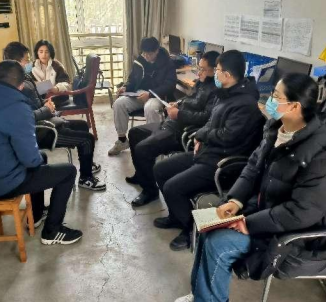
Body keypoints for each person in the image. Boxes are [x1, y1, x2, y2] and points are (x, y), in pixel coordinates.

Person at [174, 74, 326, 302]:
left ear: (294, 106)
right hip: (267, 212)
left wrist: (247, 223)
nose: (270, 101)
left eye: (276, 96)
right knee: (206, 225)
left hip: (295, 236)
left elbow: (301, 212)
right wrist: (235, 201)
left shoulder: (320, 153)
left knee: (219, 241)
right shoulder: (278, 130)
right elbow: (252, 169)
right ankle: (203, 295)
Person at [153, 50, 265, 251]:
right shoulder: (226, 94)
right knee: (160, 169)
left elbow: (227, 136)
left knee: (173, 187)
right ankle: (177, 216)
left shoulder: (245, 104)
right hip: (207, 153)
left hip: (222, 162)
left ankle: (190, 231)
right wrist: (199, 135)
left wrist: (202, 135)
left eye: (218, 70)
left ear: (227, 75)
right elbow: (210, 122)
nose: (215, 73)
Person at [0, 61, 83, 246]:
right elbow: (31, 160)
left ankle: (36, 214)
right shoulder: (17, 108)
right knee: (68, 172)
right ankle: (52, 231)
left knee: (42, 158)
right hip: (1, 184)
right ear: (21, 85)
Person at [1, 42, 106, 225]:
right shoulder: (20, 85)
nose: (29, 62)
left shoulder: (17, 79)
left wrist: (47, 103)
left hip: (45, 120)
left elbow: (35, 102)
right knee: (87, 139)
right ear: (17, 62)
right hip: (43, 129)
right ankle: (85, 178)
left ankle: (86, 166)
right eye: (26, 59)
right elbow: (30, 115)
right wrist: (47, 109)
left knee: (82, 125)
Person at [127, 51, 220, 208]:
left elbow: (206, 117)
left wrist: (179, 114)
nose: (199, 72)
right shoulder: (201, 82)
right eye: (199, 68)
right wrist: (179, 103)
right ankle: (142, 175)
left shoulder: (216, 91)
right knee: (134, 133)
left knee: (143, 148)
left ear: (215, 70)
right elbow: (191, 98)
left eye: (203, 69)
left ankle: (150, 191)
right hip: (172, 123)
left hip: (181, 130)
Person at [108, 37, 177, 156]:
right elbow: (132, 79)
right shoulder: (140, 60)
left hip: (157, 96)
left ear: (157, 51)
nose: (146, 56)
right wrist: (126, 87)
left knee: (150, 108)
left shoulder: (167, 63)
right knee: (119, 104)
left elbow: (170, 85)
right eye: (144, 53)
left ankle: (155, 142)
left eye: (149, 54)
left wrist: (150, 94)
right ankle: (122, 140)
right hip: (139, 94)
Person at [31, 40, 71, 107]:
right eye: (41, 52)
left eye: (47, 52)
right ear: (37, 53)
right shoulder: (31, 66)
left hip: (56, 96)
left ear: (50, 53)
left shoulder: (57, 65)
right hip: (40, 97)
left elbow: (67, 83)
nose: (44, 55)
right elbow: (27, 81)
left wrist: (56, 88)